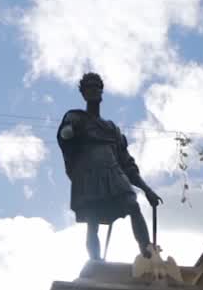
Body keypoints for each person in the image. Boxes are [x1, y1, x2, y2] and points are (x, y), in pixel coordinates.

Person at [57, 72, 162, 261]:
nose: (94, 90)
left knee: (133, 205)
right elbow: (65, 138)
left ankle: (148, 254)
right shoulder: (75, 117)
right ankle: (95, 262)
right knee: (93, 221)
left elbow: (127, 164)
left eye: (97, 86)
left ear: (101, 91)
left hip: (114, 172)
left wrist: (147, 189)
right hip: (89, 175)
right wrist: (69, 132)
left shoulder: (112, 128)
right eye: (89, 87)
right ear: (83, 92)